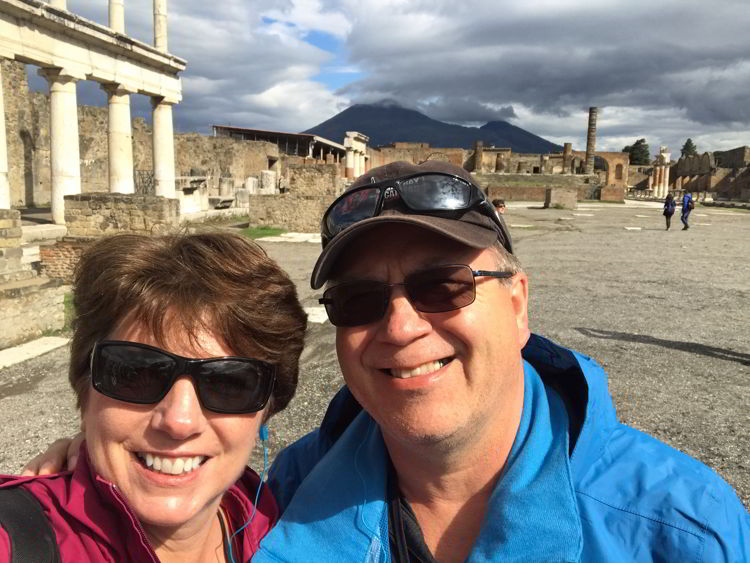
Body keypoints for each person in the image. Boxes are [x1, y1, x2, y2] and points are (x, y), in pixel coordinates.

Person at [24, 163, 750, 561]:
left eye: (443, 285)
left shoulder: (680, 530)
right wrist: (87, 465)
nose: (401, 326)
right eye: (360, 300)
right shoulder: (289, 492)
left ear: (519, 303)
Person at [0, 232, 307, 562]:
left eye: (228, 383)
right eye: (135, 374)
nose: (179, 422)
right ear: (85, 389)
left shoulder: (278, 519)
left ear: (268, 406)